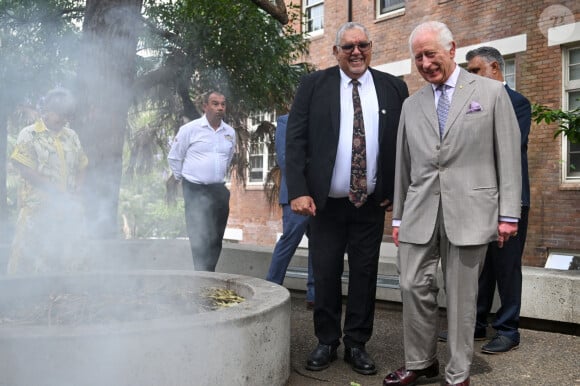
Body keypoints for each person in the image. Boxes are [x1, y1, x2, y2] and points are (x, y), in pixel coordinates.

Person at [383, 22, 521, 386]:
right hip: (418, 210)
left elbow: (507, 155)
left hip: (472, 211)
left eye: (431, 54)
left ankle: (458, 374)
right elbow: (403, 165)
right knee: (412, 285)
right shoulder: (412, 105)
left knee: (462, 297)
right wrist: (397, 217)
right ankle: (420, 361)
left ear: (452, 49)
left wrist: (508, 214)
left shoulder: (490, 93)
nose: (425, 63)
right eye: (418, 57)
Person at [286, 22, 408, 375]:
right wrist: (298, 190)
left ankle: (356, 343)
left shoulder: (393, 87)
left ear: (371, 47)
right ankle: (326, 341)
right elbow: (295, 141)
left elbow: (403, 143)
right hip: (323, 204)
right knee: (324, 273)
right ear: (335, 51)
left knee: (365, 274)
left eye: (363, 45)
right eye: (348, 47)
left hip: (370, 204)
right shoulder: (313, 85)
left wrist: (394, 190)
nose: (356, 52)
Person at [465, 46, 531, 353]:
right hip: (479, 198)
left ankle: (508, 329)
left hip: (510, 200)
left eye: (476, 70)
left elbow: (509, 147)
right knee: (482, 265)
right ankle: (477, 324)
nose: (471, 77)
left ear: (495, 68)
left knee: (507, 265)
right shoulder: (472, 103)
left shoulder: (517, 103)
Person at [8, 87, 88, 274]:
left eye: (67, 115)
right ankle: (23, 297)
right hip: (38, 209)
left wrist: (78, 189)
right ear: (47, 111)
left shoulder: (71, 135)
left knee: (70, 259)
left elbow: (82, 164)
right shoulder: (29, 134)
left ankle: (68, 296)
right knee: (32, 260)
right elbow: (25, 169)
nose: (64, 120)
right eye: (60, 115)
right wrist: (54, 190)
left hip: (68, 209)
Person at [168, 91, 236, 271]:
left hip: (218, 189)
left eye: (223, 104)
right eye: (215, 104)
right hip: (195, 189)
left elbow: (228, 158)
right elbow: (174, 157)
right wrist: (182, 180)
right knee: (199, 236)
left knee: (216, 236)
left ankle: (210, 273)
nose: (220, 108)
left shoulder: (229, 132)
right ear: (205, 106)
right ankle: (200, 274)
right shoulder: (189, 129)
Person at [266, 114, 315, 308]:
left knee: (319, 245)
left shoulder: (321, 118)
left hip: (320, 196)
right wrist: (302, 191)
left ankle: (314, 294)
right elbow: (285, 159)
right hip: (296, 194)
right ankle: (271, 287)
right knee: (290, 240)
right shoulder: (287, 121)